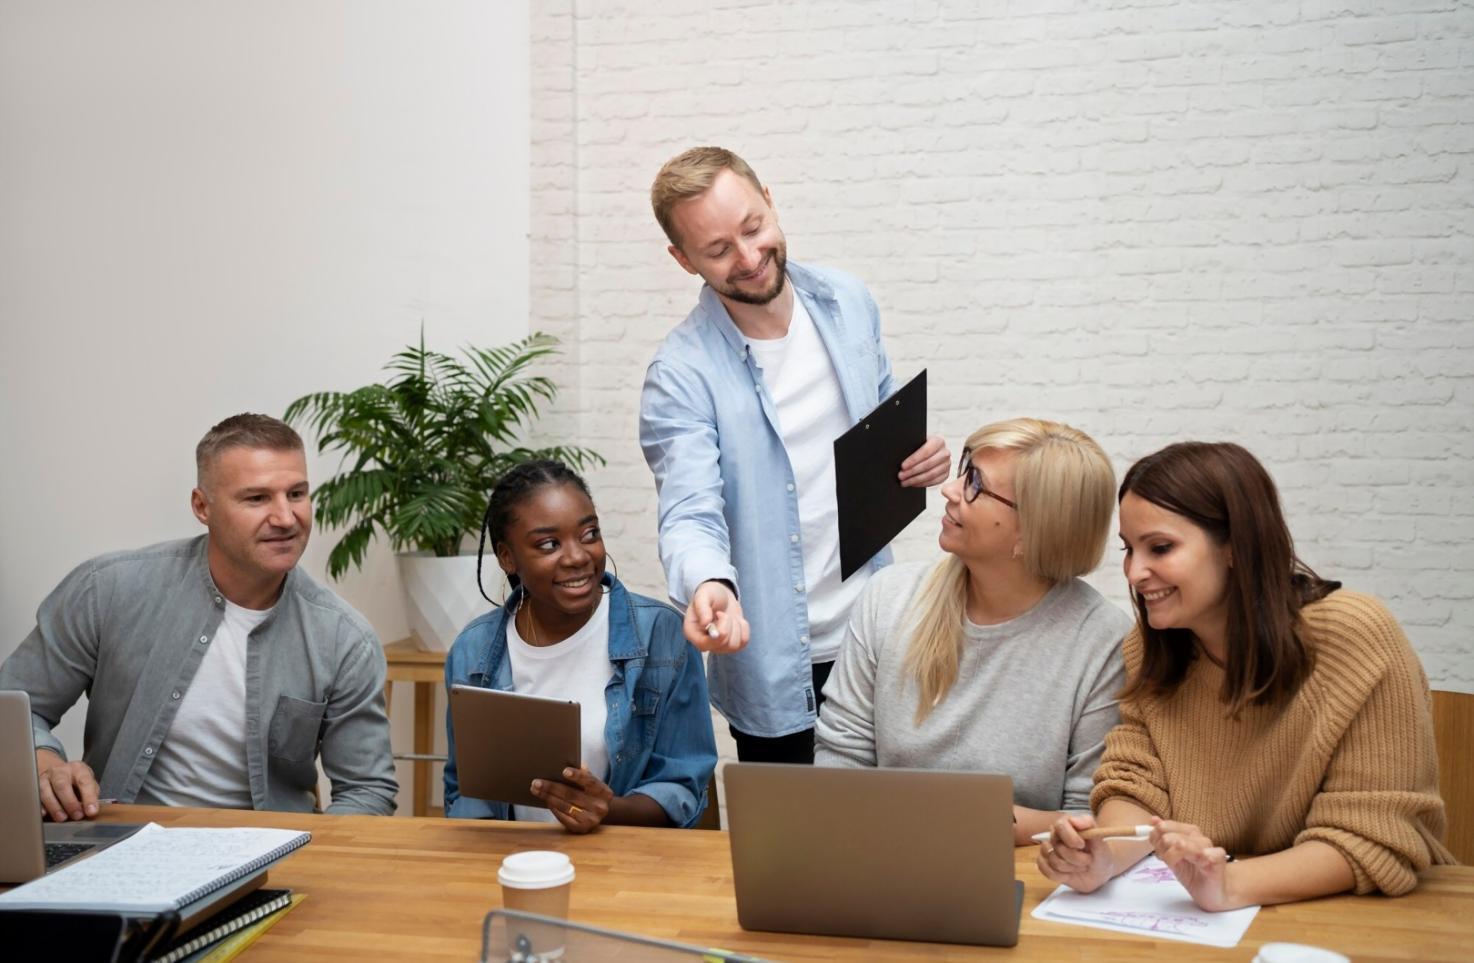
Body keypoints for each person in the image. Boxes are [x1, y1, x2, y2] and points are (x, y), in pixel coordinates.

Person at [1038, 441, 1454, 909]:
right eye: (1129, 549)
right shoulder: (1151, 648)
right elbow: (1135, 787)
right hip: (1209, 910)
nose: (1135, 572)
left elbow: (1375, 834)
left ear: (1236, 546)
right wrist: (1103, 859)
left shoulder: (1356, 636)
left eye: (1160, 547)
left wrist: (1232, 884)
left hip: (1363, 914)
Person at [640, 146, 951, 763]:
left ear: (770, 201)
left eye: (753, 228)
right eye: (719, 250)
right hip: (779, 663)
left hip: (879, 634)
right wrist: (708, 582)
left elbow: (883, 422)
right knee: (799, 854)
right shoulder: (680, 375)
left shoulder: (847, 301)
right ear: (682, 260)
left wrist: (921, 459)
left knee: (896, 840)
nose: (750, 258)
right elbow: (689, 510)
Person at [0, 413, 398, 819]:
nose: (285, 518)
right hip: (118, 845)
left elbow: (367, 789)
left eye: (296, 494)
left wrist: (306, 857)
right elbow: (12, 705)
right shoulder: (107, 590)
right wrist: (44, 762)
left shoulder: (344, 639)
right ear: (201, 506)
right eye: (257, 498)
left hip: (271, 856)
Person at [816, 418, 1130, 844]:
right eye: (964, 469)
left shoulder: (1103, 642)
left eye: (975, 484)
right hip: (880, 856)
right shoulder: (887, 599)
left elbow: (1084, 819)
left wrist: (947, 820)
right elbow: (840, 764)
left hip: (1028, 875)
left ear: (1034, 531)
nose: (949, 489)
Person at [443, 460, 717, 831]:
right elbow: (466, 790)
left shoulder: (661, 636)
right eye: (549, 544)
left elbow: (684, 788)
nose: (577, 556)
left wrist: (607, 810)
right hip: (514, 866)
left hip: (626, 865)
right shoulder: (472, 651)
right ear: (507, 557)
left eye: (589, 534)